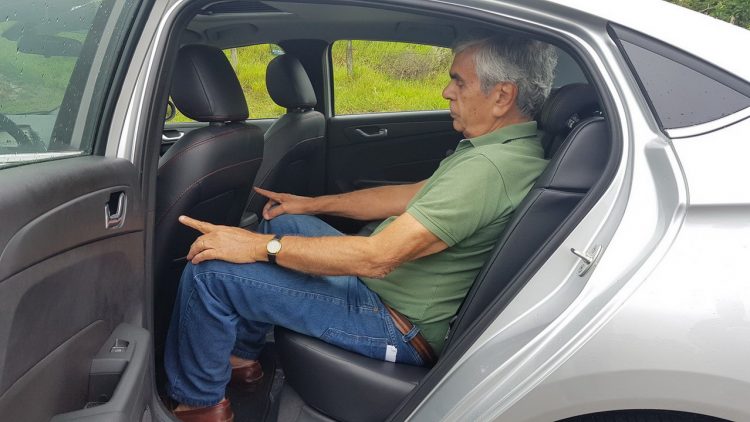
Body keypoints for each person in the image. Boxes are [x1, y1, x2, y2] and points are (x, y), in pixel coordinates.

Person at [166, 35, 557, 421]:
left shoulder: (488, 170)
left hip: (395, 322)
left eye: (459, 81)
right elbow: (407, 196)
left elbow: (377, 257)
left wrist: (257, 247)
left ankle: (200, 406)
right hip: (387, 292)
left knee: (209, 271)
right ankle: (241, 360)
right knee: (282, 220)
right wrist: (310, 204)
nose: (446, 92)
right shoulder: (504, 151)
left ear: (502, 96)